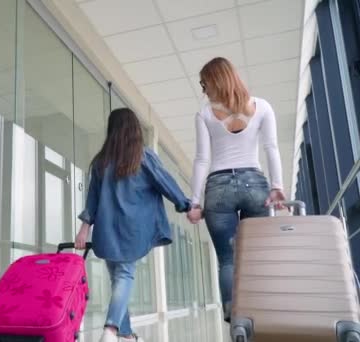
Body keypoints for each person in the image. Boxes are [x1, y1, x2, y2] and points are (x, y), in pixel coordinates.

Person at [74, 108, 191, 342]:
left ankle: (125, 335)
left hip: (106, 232)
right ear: (135, 130)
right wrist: (185, 205)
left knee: (118, 278)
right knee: (124, 276)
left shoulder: (100, 162)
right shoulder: (143, 156)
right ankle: (111, 330)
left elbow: (92, 199)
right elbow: (165, 182)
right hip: (132, 231)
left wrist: (84, 229)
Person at [186, 57, 285, 322]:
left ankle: (235, 319)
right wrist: (277, 186)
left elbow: (202, 159)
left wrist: (195, 202)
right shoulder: (262, 107)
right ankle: (261, 313)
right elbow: (270, 148)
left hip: (218, 189)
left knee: (227, 259)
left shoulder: (205, 114)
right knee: (255, 256)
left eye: (204, 82)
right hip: (255, 184)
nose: (203, 88)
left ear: (215, 80)